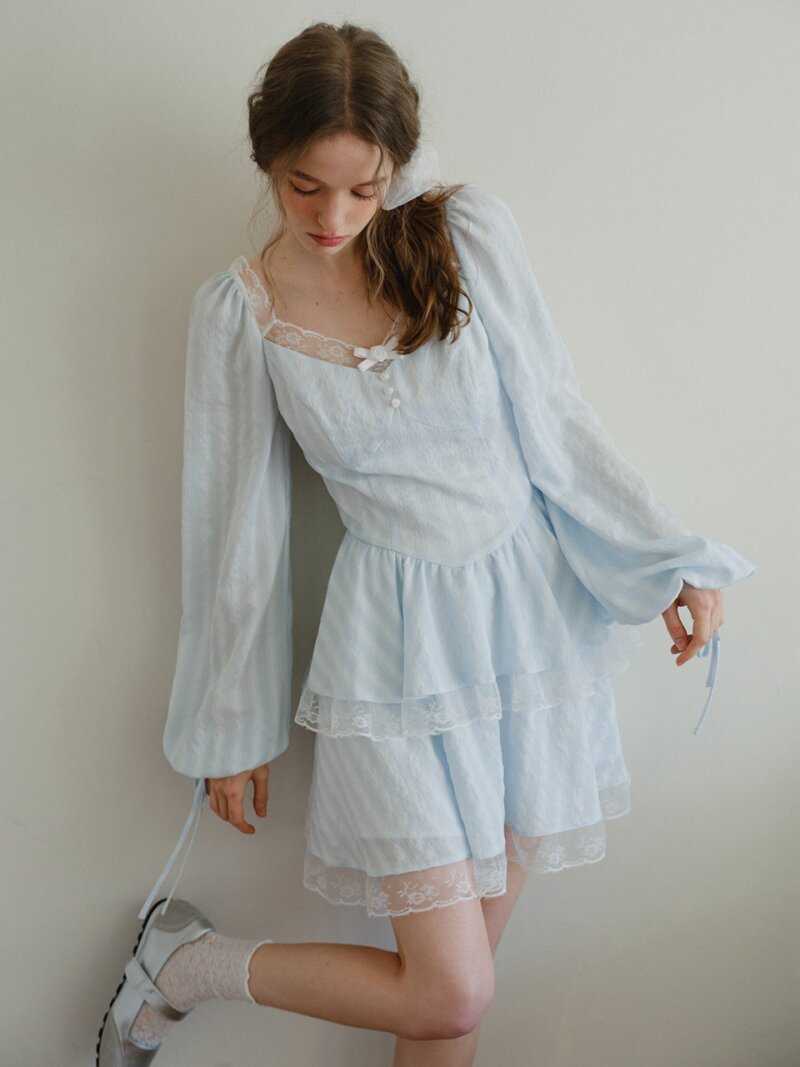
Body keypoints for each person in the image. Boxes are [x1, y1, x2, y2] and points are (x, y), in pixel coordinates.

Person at [96, 20, 756, 1067]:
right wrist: (230, 724)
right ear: (269, 160)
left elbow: (554, 419)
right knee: (450, 989)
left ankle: (181, 967)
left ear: (395, 167)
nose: (333, 217)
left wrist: (666, 556)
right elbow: (236, 524)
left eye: (362, 189)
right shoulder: (240, 312)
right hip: (391, 650)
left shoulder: (464, 236)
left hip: (527, 628)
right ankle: (184, 965)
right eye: (305, 187)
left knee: (450, 1004)